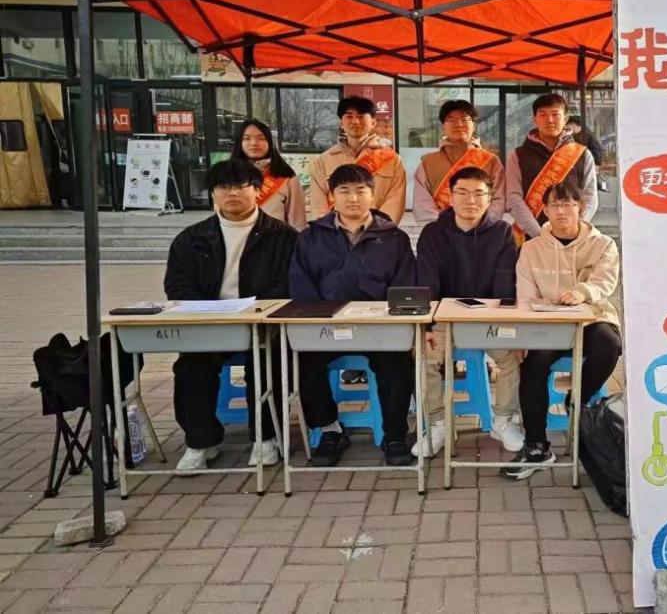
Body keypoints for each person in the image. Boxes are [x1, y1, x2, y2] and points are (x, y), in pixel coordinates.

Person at [164, 159, 297, 471]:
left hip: (262, 324)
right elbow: (178, 286)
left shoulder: (282, 237)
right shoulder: (191, 238)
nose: (232, 193)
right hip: (210, 324)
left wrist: (253, 311)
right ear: (213, 193)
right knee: (191, 366)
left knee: (268, 362)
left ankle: (266, 437)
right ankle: (201, 441)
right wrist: (212, 313)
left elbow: (288, 284)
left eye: (240, 186)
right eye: (223, 187)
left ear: (257, 190)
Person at [289, 164, 417, 467]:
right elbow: (300, 286)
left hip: (378, 328)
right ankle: (330, 430)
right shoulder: (310, 237)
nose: (353, 198)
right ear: (332, 196)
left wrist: (387, 319)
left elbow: (405, 287)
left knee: (398, 361)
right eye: (344, 191)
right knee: (302, 361)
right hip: (326, 328)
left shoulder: (394, 238)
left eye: (361, 190)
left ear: (373, 195)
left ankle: (395, 435)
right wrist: (323, 318)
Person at [500, 182, 621, 480]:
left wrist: (581, 292)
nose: (561, 211)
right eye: (554, 205)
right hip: (548, 324)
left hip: (592, 319)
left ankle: (576, 399)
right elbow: (525, 295)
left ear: (581, 207)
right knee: (533, 363)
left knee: (609, 345)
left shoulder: (603, 244)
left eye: (568, 204)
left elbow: (605, 281)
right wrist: (523, 332)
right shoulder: (531, 248)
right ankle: (537, 446)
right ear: (544, 210)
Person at [414, 167, 522, 456]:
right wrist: (426, 327)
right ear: (450, 197)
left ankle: (503, 420)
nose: (470, 200)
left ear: (489, 199)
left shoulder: (501, 232)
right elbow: (426, 283)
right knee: (424, 358)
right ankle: (437, 424)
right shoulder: (433, 233)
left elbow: (505, 284)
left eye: (478, 194)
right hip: (444, 319)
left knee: (512, 356)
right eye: (462, 192)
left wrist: (511, 326)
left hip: (488, 319)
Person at [506, 93, 598, 240]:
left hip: (574, 239)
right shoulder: (517, 156)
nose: (549, 120)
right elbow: (513, 197)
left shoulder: (582, 154)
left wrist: (575, 228)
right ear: (534, 119)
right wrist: (539, 234)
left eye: (555, 114)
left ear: (565, 119)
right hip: (531, 238)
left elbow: (590, 196)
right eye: (543, 115)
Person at [307, 96, 406, 224]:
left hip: (377, 232)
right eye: (349, 116)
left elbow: (395, 200)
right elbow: (318, 205)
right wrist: (329, 231)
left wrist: (378, 229)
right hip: (335, 233)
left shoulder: (392, 160)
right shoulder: (323, 161)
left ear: (373, 122)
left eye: (361, 116)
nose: (355, 121)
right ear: (341, 123)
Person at [412, 99, 506, 224]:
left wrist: (482, 226)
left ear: (474, 125)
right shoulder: (428, 162)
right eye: (452, 120)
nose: (459, 124)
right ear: (443, 126)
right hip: (440, 230)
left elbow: (498, 199)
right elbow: (422, 204)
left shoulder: (491, 161)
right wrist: (441, 228)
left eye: (465, 119)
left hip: (481, 231)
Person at [228, 119, 307, 230]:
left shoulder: (286, 177)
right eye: (247, 138)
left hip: (277, 239)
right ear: (239, 143)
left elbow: (298, 223)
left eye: (261, 138)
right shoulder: (227, 176)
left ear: (270, 142)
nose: (254, 143)